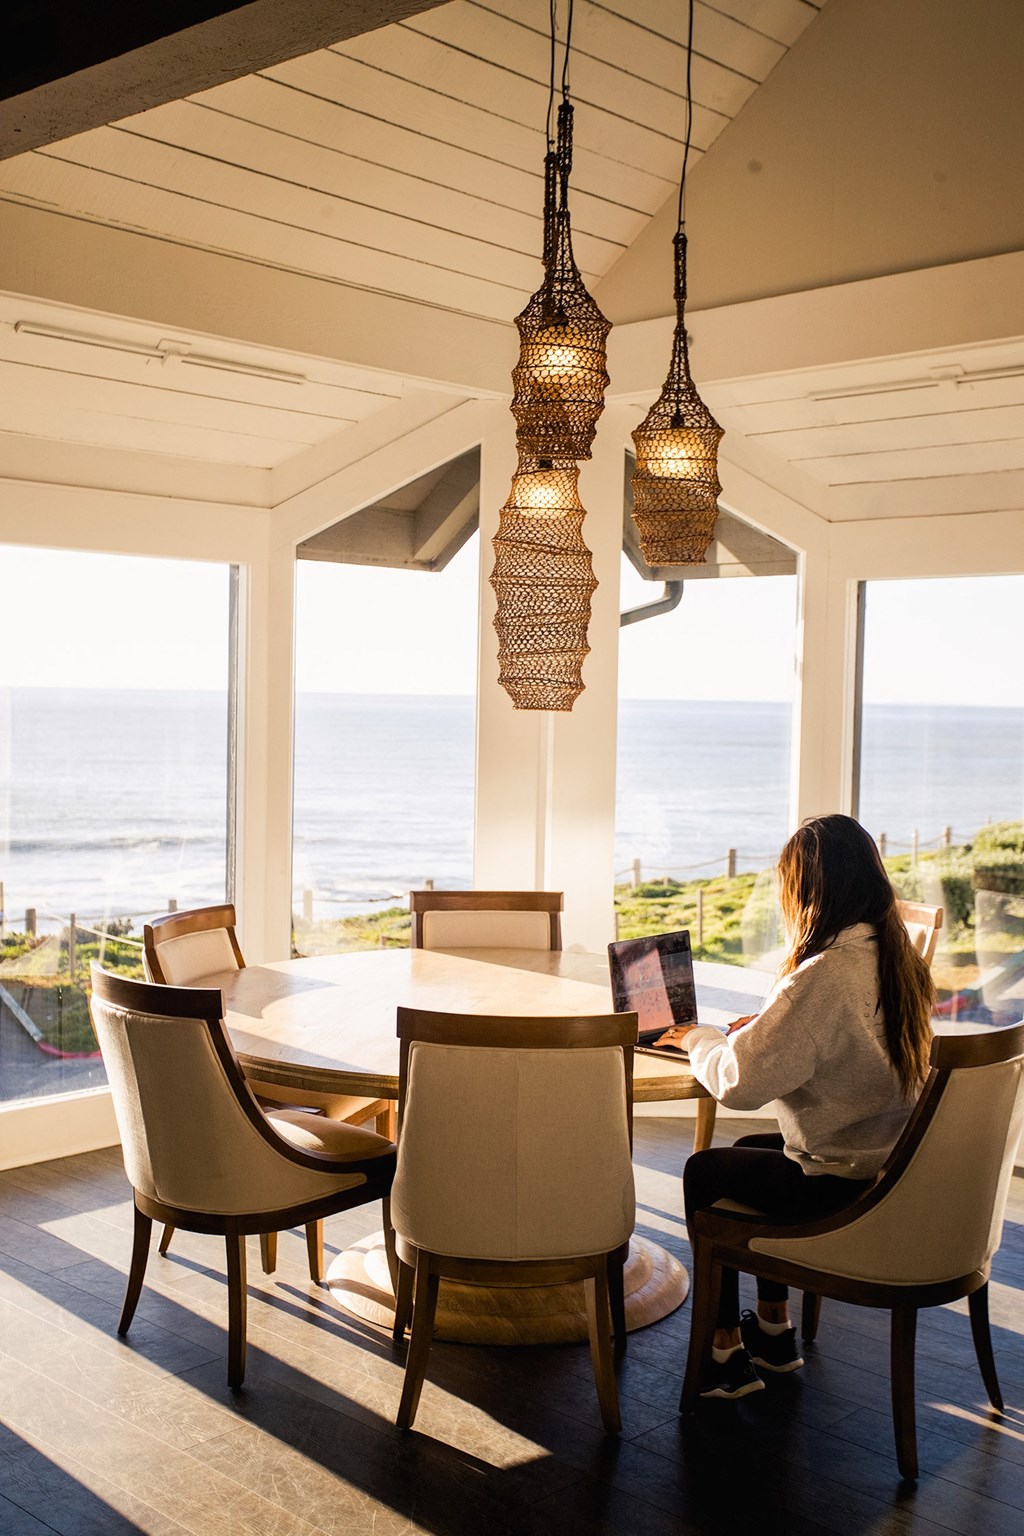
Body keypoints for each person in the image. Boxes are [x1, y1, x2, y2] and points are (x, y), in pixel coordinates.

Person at [660, 814, 935, 1400]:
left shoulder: (821, 977)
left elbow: (736, 1084)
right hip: (888, 1165)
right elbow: (837, 1040)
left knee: (703, 1172)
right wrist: (763, 1029)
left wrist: (698, 1039)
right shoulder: (895, 957)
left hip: (839, 1184)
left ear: (809, 891)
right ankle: (774, 1333)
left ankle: (724, 1355)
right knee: (745, 1155)